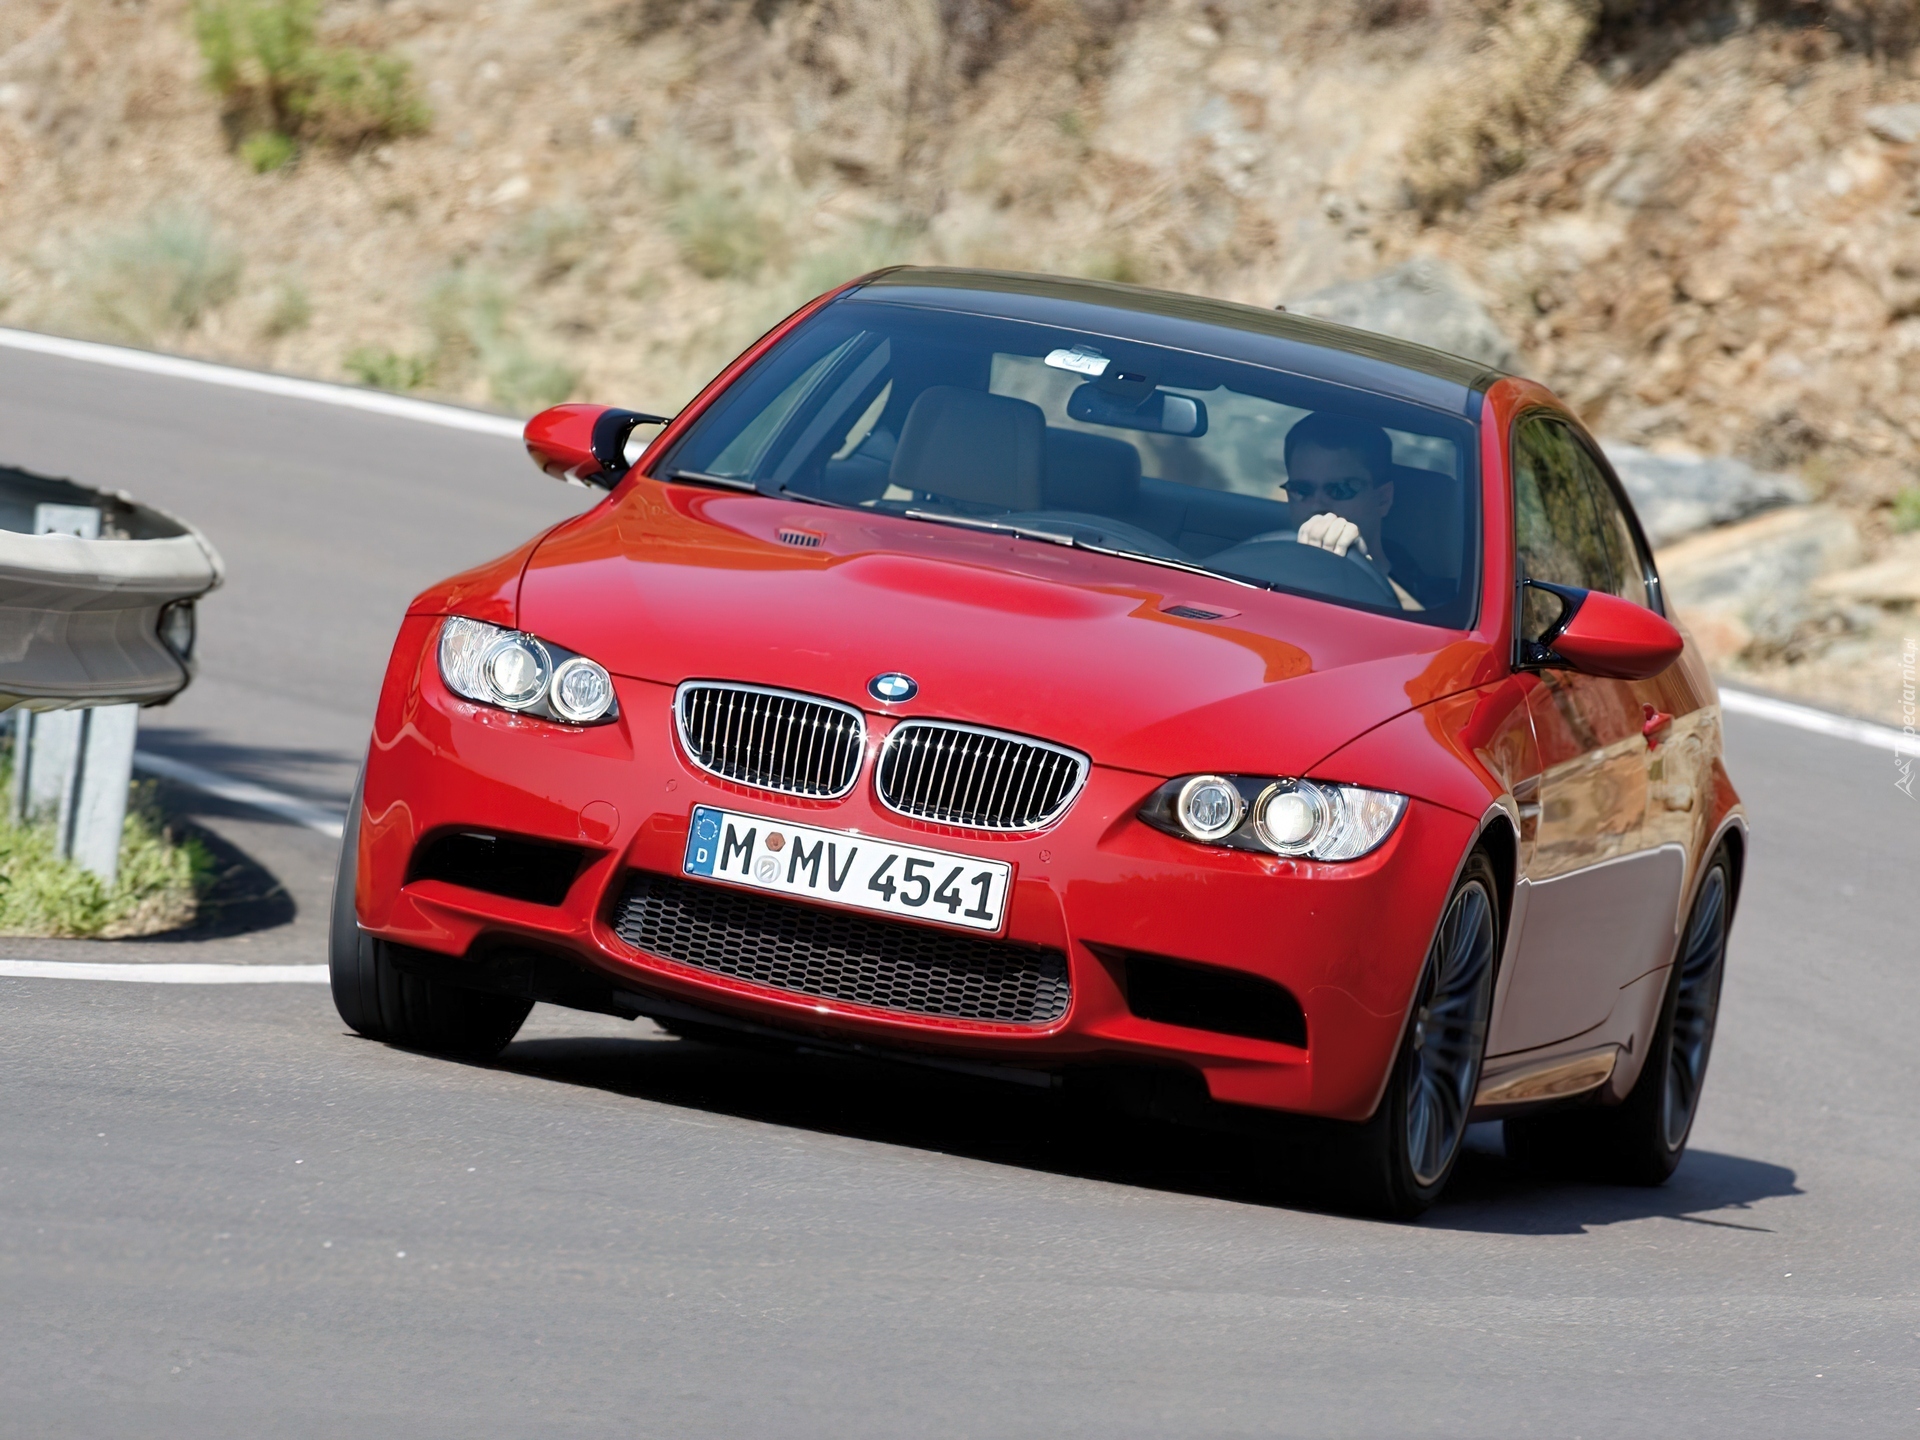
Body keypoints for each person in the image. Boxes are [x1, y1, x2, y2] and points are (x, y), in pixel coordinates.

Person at [1278, 411, 1424, 611]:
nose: (1317, 506)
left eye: (1341, 489)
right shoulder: (1263, 562)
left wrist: (1364, 569)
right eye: (1302, 490)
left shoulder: (1430, 591)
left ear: (1383, 499)